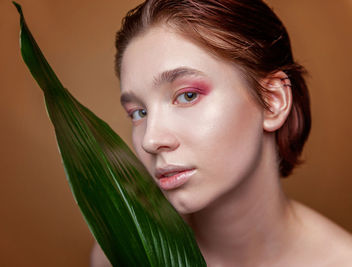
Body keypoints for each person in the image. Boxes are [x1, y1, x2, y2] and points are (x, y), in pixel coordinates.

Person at [91, 0, 352, 266]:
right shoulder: (121, 255)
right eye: (139, 113)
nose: (150, 140)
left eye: (188, 95)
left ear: (273, 101)